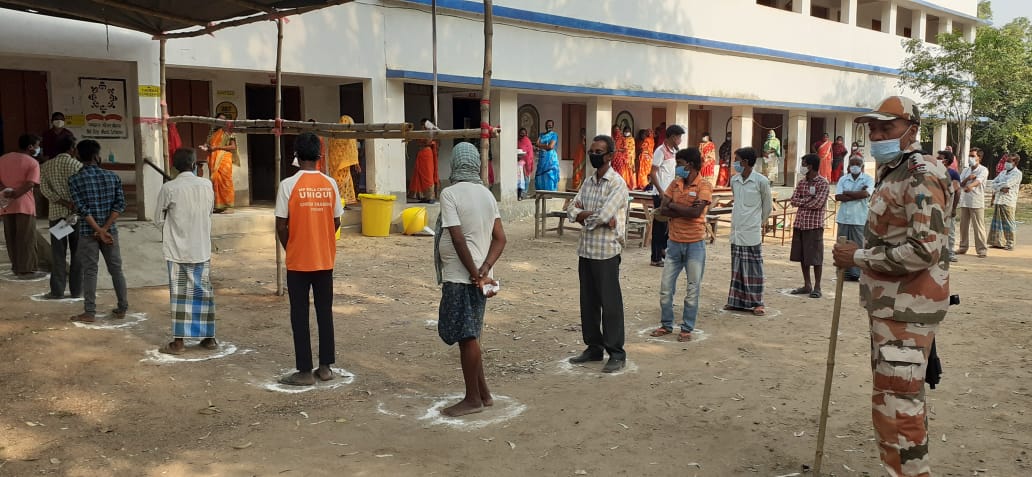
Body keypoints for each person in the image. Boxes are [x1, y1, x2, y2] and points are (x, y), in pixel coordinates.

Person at [832, 95, 952, 477]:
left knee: (898, 410)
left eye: (887, 127)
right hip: (891, 308)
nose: (877, 134)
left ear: (911, 130)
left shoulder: (920, 174)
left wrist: (859, 258)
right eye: (873, 128)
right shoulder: (892, 170)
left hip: (907, 310)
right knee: (893, 402)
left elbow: (924, 249)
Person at [433, 142, 506, 417]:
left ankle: (472, 398)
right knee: (471, 333)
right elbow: (501, 239)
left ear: (454, 164)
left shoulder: (450, 194)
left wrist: (475, 274)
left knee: (467, 336)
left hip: (462, 277)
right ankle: (484, 393)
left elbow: (457, 236)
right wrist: (485, 269)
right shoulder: (487, 195)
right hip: (478, 278)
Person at [275, 133, 345, 386]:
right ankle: (325, 367)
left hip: (298, 260)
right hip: (324, 259)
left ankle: (304, 370)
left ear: (296, 154)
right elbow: (336, 220)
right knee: (325, 312)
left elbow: (281, 225)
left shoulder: (287, 185)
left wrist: (292, 246)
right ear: (319, 155)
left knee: (299, 314)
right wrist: (322, 239)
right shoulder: (330, 184)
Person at [567, 134, 629, 373]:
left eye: (598, 151)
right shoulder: (588, 181)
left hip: (606, 252)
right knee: (588, 302)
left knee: (610, 304)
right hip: (586, 250)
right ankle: (594, 347)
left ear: (610, 156)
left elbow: (604, 216)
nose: (593, 155)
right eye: (592, 151)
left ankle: (616, 352)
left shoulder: (617, 184)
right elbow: (572, 208)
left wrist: (585, 216)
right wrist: (585, 215)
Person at [649, 147, 711, 341]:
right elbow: (662, 208)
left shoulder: (704, 186)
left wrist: (674, 207)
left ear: (690, 165)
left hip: (695, 244)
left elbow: (695, 214)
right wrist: (682, 208)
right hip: (674, 243)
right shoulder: (675, 184)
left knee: (692, 288)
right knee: (666, 287)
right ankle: (666, 324)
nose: (677, 168)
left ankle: (686, 328)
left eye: (680, 164)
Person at [68, 139, 129, 322]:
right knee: (116, 270)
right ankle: (122, 307)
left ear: (78, 156)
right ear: (97, 156)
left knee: (90, 271)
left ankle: (89, 312)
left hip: (88, 232)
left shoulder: (74, 180)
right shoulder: (113, 177)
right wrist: (105, 229)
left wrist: (97, 229)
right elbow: (120, 205)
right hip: (111, 232)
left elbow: (82, 209)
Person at [725, 147, 772, 315]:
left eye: (736, 160)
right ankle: (736, 300)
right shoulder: (734, 181)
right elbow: (737, 201)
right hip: (737, 229)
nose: (734, 163)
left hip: (751, 230)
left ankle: (757, 302)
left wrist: (758, 222)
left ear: (745, 162)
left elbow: (767, 207)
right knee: (737, 267)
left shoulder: (761, 181)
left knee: (754, 268)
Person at [39, 134, 82, 297]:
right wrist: (72, 203)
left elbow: (44, 190)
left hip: (56, 215)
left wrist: (61, 201)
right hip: (75, 215)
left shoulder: (46, 166)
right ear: (71, 149)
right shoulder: (77, 165)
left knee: (58, 254)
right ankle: (77, 290)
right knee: (78, 253)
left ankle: (57, 291)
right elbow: (81, 189)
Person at [0, 134, 44, 279]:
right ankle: (27, 268)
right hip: (25, 204)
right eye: (37, 145)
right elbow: (31, 183)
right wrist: (16, 194)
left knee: (11, 236)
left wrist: (7, 191)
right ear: (30, 147)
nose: (38, 148)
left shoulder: (3, 159)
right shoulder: (32, 163)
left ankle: (16, 266)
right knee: (26, 237)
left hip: (6, 203)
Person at [789, 153, 829, 298]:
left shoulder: (822, 183)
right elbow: (793, 200)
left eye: (804, 164)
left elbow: (818, 203)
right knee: (802, 256)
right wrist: (808, 199)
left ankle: (817, 286)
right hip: (800, 224)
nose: (802, 167)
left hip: (814, 225)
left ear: (810, 166)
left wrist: (803, 201)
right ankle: (807, 284)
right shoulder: (802, 182)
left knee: (816, 257)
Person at [649, 125, 685, 267]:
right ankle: (656, 257)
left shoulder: (674, 152)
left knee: (668, 224)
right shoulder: (660, 151)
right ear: (672, 137)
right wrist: (661, 191)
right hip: (661, 193)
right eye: (679, 137)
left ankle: (663, 249)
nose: (680, 140)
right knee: (659, 225)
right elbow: (653, 173)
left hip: (670, 192)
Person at [834, 156, 874, 281]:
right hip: (844, 218)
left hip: (859, 218)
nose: (854, 166)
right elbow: (838, 197)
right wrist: (858, 194)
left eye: (857, 164)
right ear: (848, 166)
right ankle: (843, 273)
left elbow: (866, 194)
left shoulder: (868, 179)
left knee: (858, 246)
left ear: (862, 166)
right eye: (852, 164)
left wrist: (848, 193)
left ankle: (856, 273)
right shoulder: (843, 179)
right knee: (842, 246)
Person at [200, 113, 238, 213]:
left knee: (225, 181)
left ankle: (229, 206)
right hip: (213, 158)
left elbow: (233, 147)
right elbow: (208, 144)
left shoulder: (228, 131)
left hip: (224, 159)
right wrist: (205, 147)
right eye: (219, 119)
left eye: (223, 120)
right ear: (215, 120)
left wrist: (217, 148)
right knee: (215, 180)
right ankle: (218, 206)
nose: (220, 121)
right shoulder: (212, 132)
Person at [957, 147, 989, 258]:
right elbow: (960, 183)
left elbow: (978, 181)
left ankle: (981, 249)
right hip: (965, 201)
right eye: (969, 156)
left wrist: (970, 185)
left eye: (972, 156)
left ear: (979, 158)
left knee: (978, 227)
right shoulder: (966, 170)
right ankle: (963, 246)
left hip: (976, 201)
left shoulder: (983, 170)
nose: (970, 158)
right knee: (963, 226)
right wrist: (967, 179)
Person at [988, 153, 1023, 251]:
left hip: (1008, 201)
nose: (1007, 163)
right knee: (997, 222)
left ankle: (1010, 243)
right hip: (999, 200)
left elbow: (1008, 184)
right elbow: (993, 183)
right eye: (1006, 161)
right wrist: (1000, 188)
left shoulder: (1017, 174)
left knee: (1008, 222)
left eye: (1009, 161)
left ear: (1015, 163)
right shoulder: (1003, 172)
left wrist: (999, 186)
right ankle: (997, 242)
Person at [327, 115, 362, 207]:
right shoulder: (345, 134)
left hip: (339, 164)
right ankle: (340, 203)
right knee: (341, 181)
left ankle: (341, 202)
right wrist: (355, 162)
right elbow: (352, 148)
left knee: (340, 181)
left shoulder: (334, 132)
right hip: (341, 163)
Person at [937, 150, 961, 262]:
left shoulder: (953, 174)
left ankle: (950, 253)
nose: (937, 159)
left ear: (946, 161)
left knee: (950, 230)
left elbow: (957, 192)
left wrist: (954, 208)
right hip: (936, 206)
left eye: (939, 158)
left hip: (948, 205)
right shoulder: (934, 172)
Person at [409, 118, 440, 203]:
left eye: (424, 125)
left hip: (427, 153)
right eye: (422, 125)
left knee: (428, 175)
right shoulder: (421, 133)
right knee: (420, 174)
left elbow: (430, 141)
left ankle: (431, 196)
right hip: (421, 153)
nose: (422, 126)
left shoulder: (431, 132)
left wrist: (430, 128)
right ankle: (424, 196)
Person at [534, 119, 559, 191]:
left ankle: (550, 193)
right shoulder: (541, 135)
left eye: (550, 125)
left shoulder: (554, 135)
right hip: (542, 158)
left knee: (549, 174)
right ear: (545, 126)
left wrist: (541, 145)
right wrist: (545, 145)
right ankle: (541, 192)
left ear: (553, 126)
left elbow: (550, 147)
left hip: (551, 159)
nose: (549, 126)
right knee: (539, 175)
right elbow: (536, 144)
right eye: (548, 125)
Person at [518, 127, 537, 197]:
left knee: (526, 178)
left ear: (526, 134)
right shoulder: (518, 141)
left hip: (527, 162)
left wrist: (529, 162)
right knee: (520, 179)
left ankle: (524, 193)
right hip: (519, 163)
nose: (522, 134)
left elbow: (530, 153)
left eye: (524, 133)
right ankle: (520, 193)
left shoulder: (528, 141)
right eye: (521, 133)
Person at [623, 126, 637, 190]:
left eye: (628, 131)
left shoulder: (631, 139)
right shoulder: (622, 139)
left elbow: (632, 149)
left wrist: (628, 156)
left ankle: (631, 185)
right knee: (624, 172)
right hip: (623, 158)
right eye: (625, 131)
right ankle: (624, 184)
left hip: (630, 158)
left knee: (630, 171)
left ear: (630, 132)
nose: (626, 132)